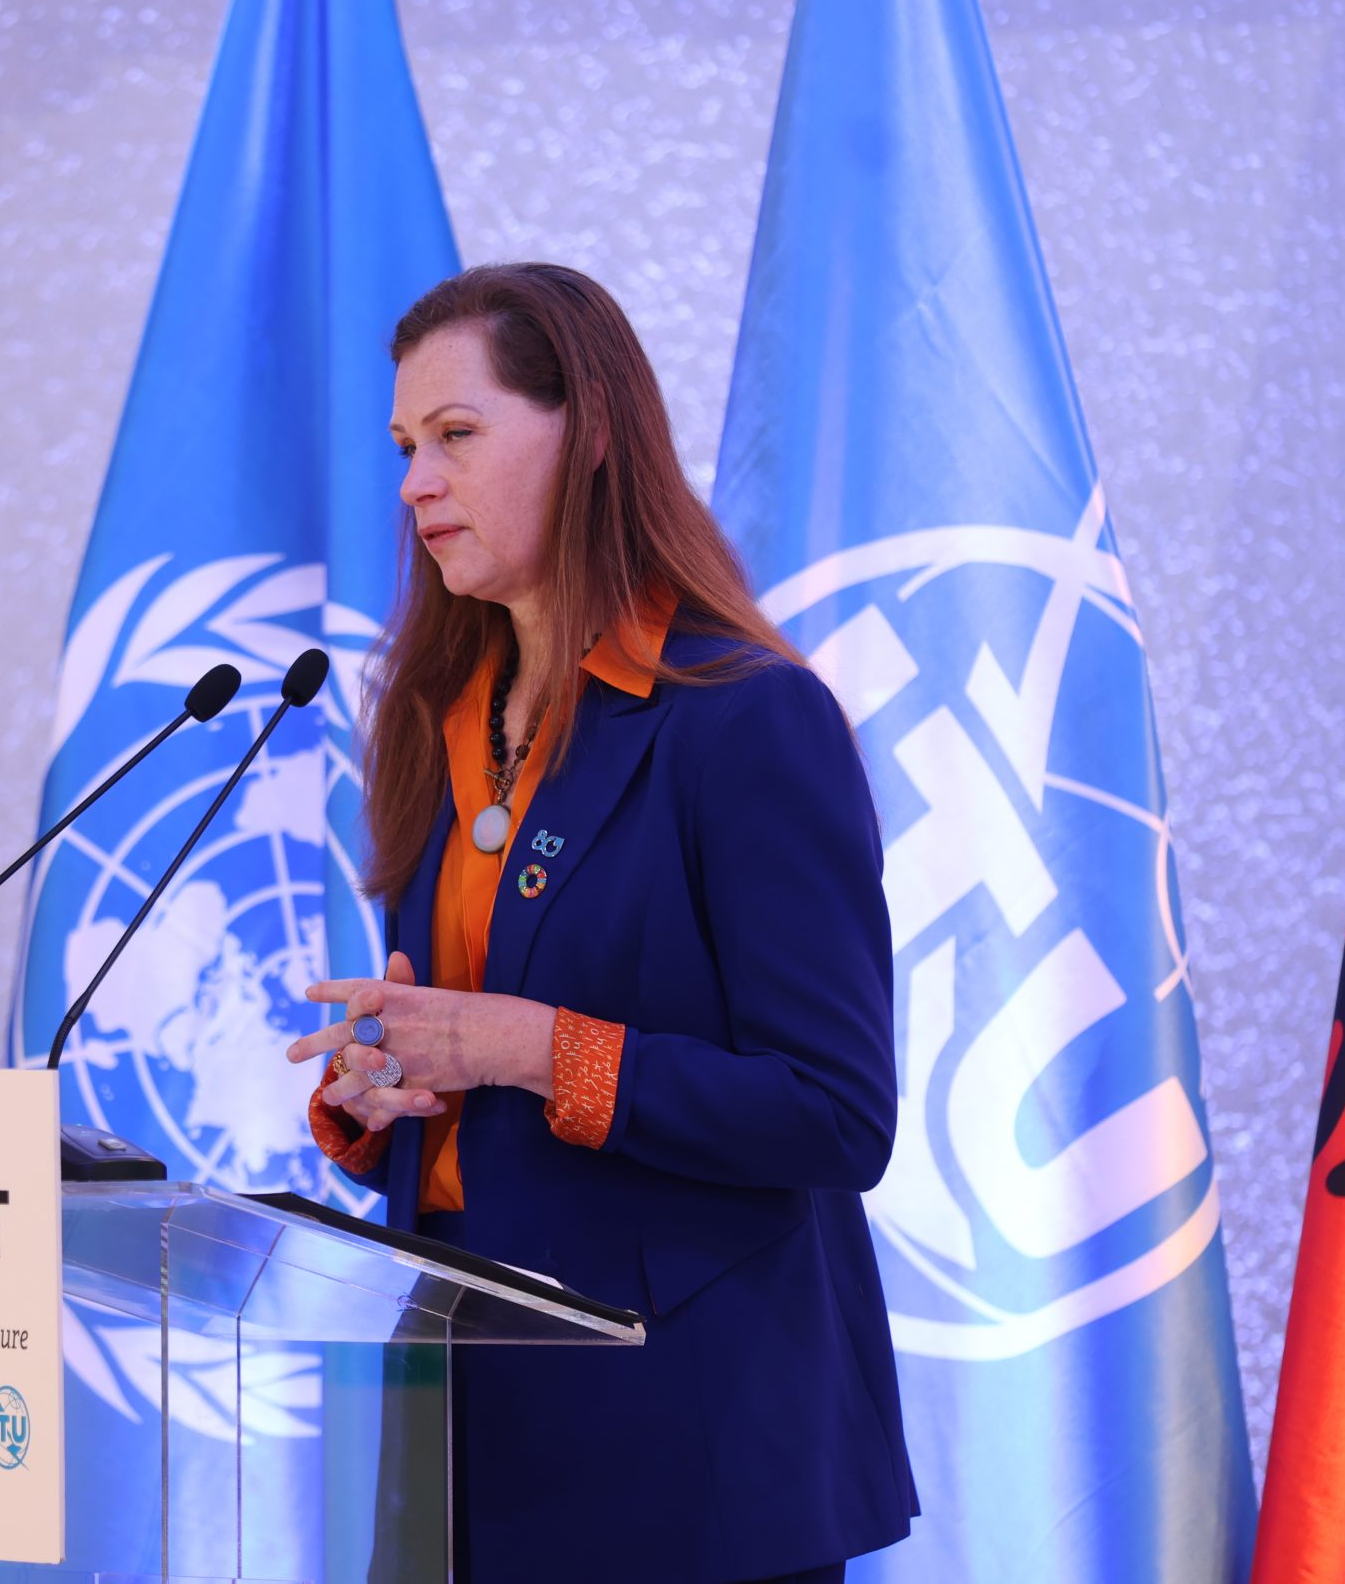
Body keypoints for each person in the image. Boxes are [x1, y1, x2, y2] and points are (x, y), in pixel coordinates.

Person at [288, 263, 916, 1582]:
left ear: (588, 435)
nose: (413, 483)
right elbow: (462, 1072)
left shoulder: (745, 719)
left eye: (456, 434)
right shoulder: (437, 719)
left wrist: (527, 1046)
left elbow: (835, 1114)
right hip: (465, 1439)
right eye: (405, 446)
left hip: (691, 1456)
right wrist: (384, 1086)